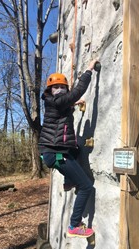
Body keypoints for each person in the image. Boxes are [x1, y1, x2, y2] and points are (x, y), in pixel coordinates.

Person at [38, 59, 98, 238]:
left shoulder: (56, 103)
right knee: (87, 187)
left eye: (62, 87)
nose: (60, 90)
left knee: (77, 145)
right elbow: (75, 93)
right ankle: (74, 225)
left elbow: (63, 113)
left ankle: (69, 181)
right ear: (50, 91)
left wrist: (73, 105)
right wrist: (88, 71)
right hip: (55, 153)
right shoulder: (55, 101)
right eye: (55, 88)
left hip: (57, 151)